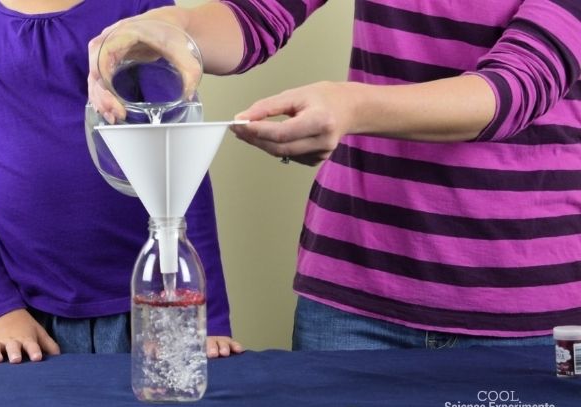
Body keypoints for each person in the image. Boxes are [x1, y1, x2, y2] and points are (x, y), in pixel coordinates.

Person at [89, 0, 581, 350]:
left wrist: (351, 107)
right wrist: (174, 28)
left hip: (527, 312)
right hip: (352, 300)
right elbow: (258, 14)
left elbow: (519, 85)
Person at [0, 0, 243, 363]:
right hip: (20, 318)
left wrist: (207, 315)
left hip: (148, 307)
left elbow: (181, 160)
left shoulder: (143, 7)